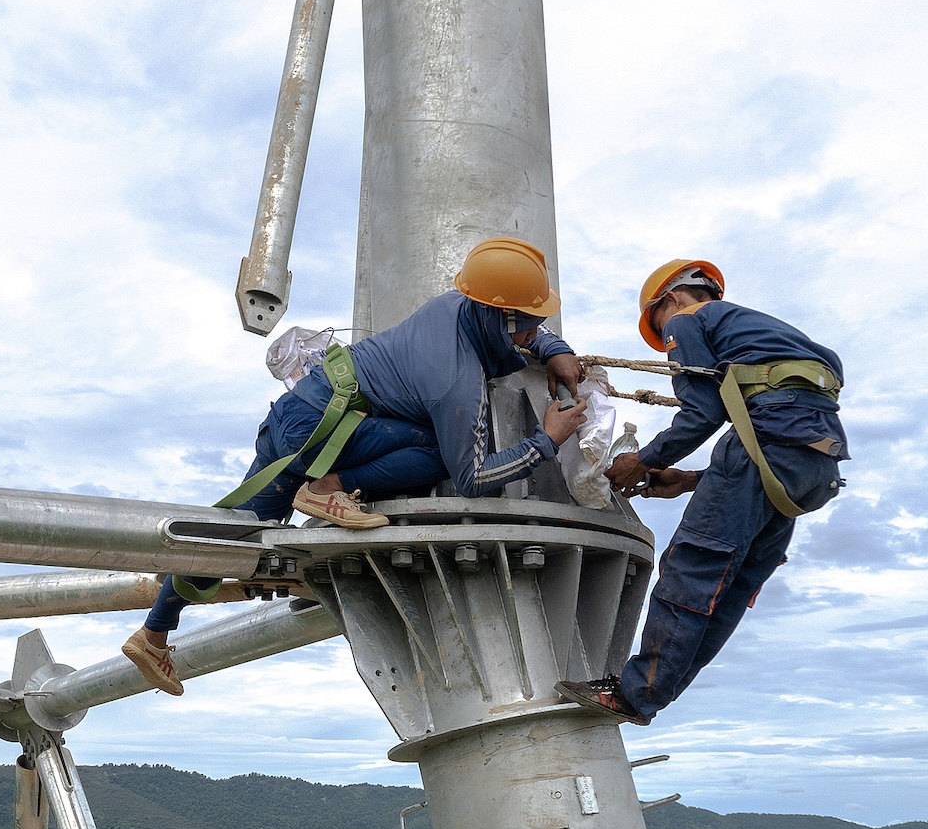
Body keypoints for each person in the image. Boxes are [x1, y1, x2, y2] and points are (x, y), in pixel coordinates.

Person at [124, 236, 589, 694]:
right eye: (529, 326)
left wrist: (554, 347)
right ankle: (329, 488)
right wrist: (545, 441)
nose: (532, 334)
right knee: (435, 450)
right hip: (321, 437)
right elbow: (471, 479)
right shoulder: (456, 381)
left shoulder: (456, 303)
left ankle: (154, 634)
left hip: (297, 414)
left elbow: (512, 327)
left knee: (234, 535)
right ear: (500, 319)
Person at [557, 259, 848, 723]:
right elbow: (783, 430)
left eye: (659, 325)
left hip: (763, 450)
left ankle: (634, 694)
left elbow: (702, 413)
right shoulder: (769, 332)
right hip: (812, 466)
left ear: (670, 300)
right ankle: (648, 694)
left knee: (693, 568)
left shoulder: (689, 320)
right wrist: (693, 480)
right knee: (730, 590)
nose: (665, 334)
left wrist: (644, 459)